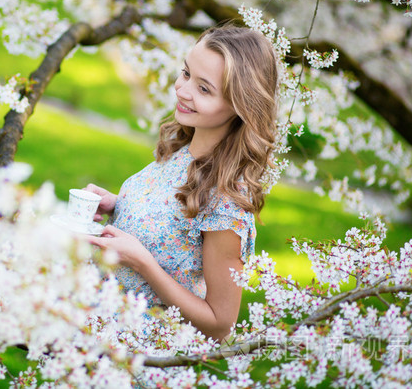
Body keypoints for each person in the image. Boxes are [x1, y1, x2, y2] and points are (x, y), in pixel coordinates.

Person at [84, 25, 278, 340]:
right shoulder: (181, 152)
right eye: (186, 74)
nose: (182, 90)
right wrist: (118, 206)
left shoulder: (226, 202)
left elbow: (219, 324)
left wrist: (143, 263)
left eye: (204, 89)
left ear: (240, 106)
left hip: (137, 358)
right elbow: (173, 226)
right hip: (90, 334)